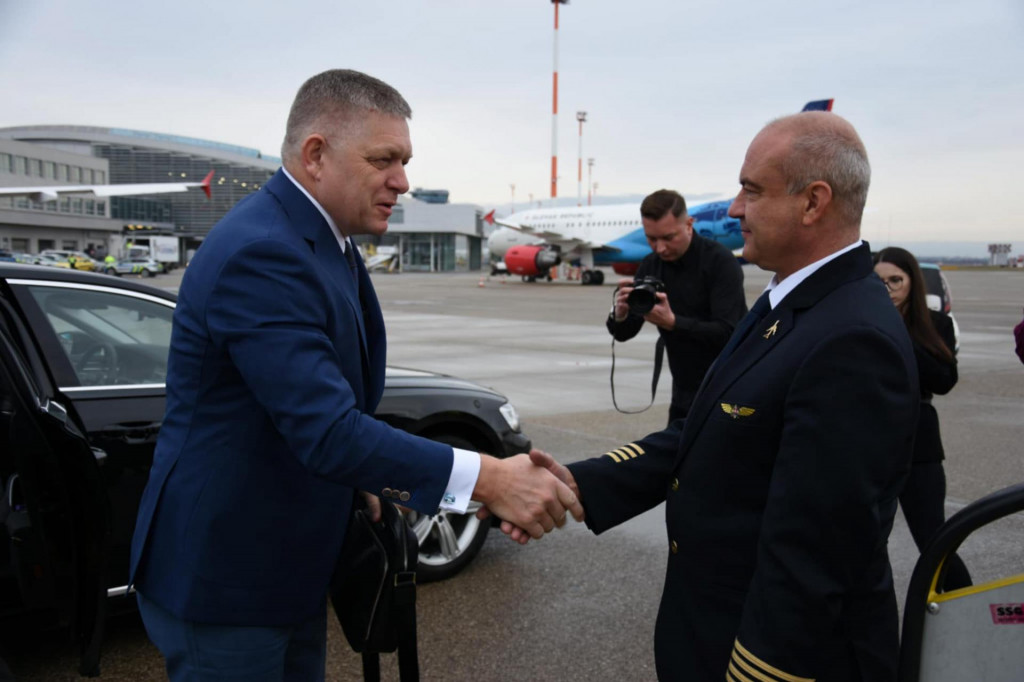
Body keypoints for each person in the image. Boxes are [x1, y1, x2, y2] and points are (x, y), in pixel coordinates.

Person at [128, 69, 582, 682]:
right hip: (227, 577)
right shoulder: (262, 252)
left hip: (284, 567)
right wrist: (490, 478)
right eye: (384, 159)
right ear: (316, 155)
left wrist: (361, 481)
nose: (402, 180)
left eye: (405, 160)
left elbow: (316, 409)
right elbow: (327, 431)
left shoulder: (321, 239)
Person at [510, 111, 919, 681]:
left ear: (813, 202)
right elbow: (711, 429)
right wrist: (580, 481)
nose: (733, 208)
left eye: (752, 190)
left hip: (767, 657)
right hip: (711, 626)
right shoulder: (790, 301)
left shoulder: (852, 337)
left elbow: (815, 553)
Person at [874, 247, 972, 589]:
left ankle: (964, 610)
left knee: (934, 541)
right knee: (863, 543)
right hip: (871, 444)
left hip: (920, 443)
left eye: (895, 281)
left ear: (912, 283)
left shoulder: (936, 325)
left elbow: (944, 380)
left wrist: (898, 333)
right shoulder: (860, 322)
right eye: (879, 281)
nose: (887, 288)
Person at [607, 189, 746, 423]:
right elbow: (623, 334)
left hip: (729, 385)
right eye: (651, 239)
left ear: (689, 224)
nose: (660, 248)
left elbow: (729, 333)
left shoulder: (720, 262)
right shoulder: (651, 265)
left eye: (669, 238)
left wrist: (673, 323)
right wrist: (620, 315)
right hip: (683, 388)